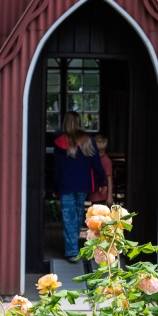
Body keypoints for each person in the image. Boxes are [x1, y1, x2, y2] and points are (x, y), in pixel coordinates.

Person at [53, 112, 106, 262]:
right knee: (77, 215)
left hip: (65, 184)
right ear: (79, 122)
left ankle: (72, 251)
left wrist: (55, 188)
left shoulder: (59, 142)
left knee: (69, 217)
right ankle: (74, 248)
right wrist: (102, 182)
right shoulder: (88, 140)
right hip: (83, 184)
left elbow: (57, 168)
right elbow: (97, 164)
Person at [89, 135, 114, 206]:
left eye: (101, 152)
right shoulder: (92, 159)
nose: (98, 155)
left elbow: (109, 179)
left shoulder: (106, 161)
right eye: (97, 152)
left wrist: (109, 196)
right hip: (94, 193)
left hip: (103, 195)